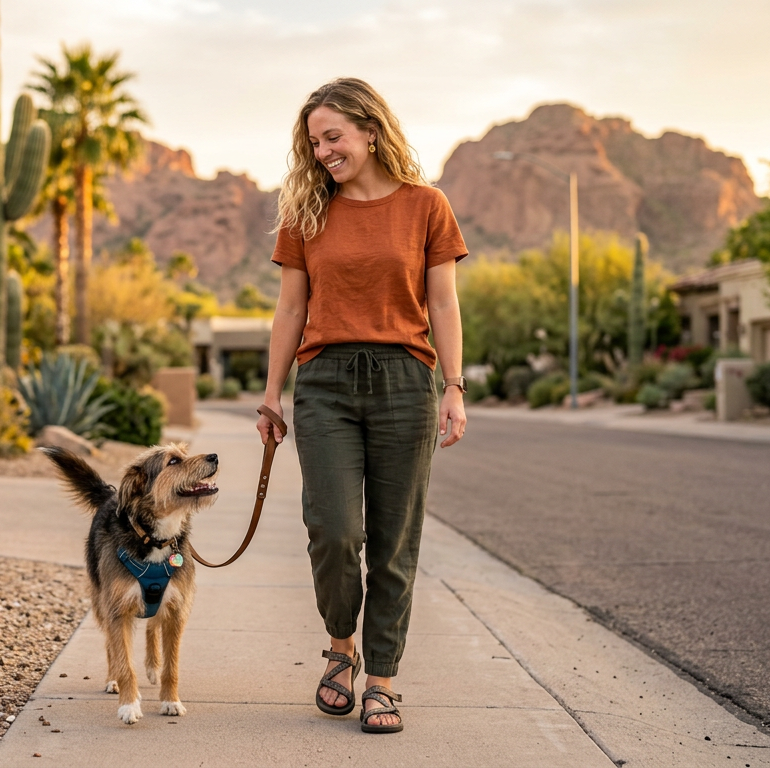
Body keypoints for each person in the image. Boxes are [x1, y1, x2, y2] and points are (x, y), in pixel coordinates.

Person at [256, 77, 468, 734]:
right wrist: (271, 395)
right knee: (335, 529)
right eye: (315, 142)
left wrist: (454, 388)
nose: (323, 152)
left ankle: (382, 681)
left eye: (333, 137)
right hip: (325, 382)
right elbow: (291, 307)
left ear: (370, 131)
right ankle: (339, 648)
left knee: (394, 543)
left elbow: (442, 303)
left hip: (406, 380)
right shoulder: (306, 213)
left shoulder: (427, 206)